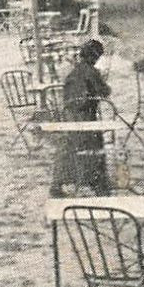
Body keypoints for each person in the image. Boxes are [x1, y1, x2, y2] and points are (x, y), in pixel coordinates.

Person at [53, 39, 112, 196]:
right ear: (95, 57)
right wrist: (103, 81)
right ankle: (98, 184)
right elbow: (105, 91)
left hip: (69, 116)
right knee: (95, 148)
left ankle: (58, 184)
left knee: (69, 149)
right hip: (85, 116)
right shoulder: (91, 72)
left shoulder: (74, 71)